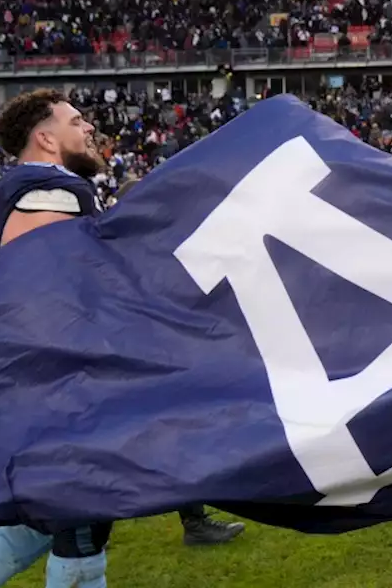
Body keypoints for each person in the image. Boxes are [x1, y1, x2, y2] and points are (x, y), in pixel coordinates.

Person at [0, 88, 113, 587]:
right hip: (56, 379)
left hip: (26, 379)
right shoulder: (52, 190)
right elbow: (42, 290)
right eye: (75, 121)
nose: (87, 128)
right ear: (45, 138)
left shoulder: (23, 186)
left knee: (34, 525)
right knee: (83, 525)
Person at [110, 178, 249, 543]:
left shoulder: (154, 243)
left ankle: (194, 522)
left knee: (178, 437)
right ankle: (84, 526)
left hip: (162, 354)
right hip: (141, 356)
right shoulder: (126, 249)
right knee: (137, 439)